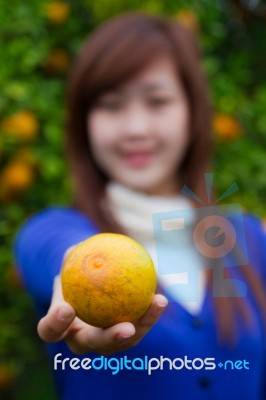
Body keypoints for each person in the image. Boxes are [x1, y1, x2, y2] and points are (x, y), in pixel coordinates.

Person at [14, 12, 266, 400]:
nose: (135, 128)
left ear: (192, 113)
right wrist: (80, 285)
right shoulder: (50, 229)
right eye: (111, 105)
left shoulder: (247, 236)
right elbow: (59, 255)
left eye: (157, 101)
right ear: (85, 123)